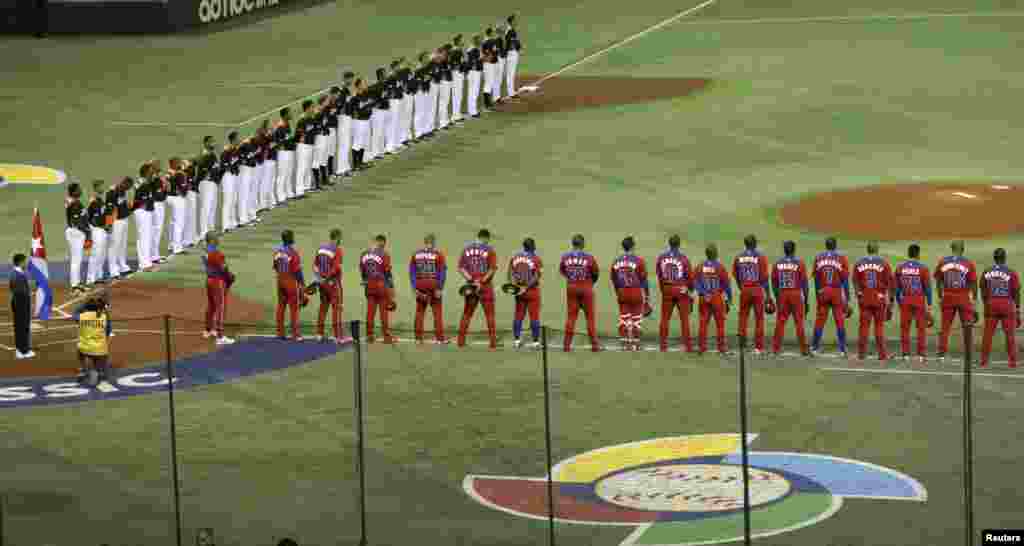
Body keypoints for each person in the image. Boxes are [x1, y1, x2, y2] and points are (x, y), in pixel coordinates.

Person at [935, 240, 978, 362]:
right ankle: (969, 354)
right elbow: (973, 283)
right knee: (967, 326)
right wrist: (974, 299)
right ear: (963, 249)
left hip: (947, 296)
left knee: (945, 327)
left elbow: (938, 281)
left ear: (952, 248)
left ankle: (941, 354)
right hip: (963, 297)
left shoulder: (943, 262)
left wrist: (939, 296)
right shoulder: (968, 263)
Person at [457, 228, 498, 349]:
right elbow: (492, 269)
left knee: (467, 314)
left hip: (470, 287)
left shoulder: (466, 249)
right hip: (485, 287)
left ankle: (460, 341)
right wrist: (481, 281)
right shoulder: (489, 250)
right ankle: (492, 343)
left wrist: (471, 280)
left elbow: (461, 268)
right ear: (485, 237)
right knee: (490, 315)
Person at [852, 241, 894, 361]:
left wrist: (858, 294)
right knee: (879, 326)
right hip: (879, 299)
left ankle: (861, 354)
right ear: (877, 249)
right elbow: (890, 282)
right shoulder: (884, 263)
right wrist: (890, 300)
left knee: (864, 327)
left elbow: (854, 280)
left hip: (864, 298)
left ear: (867, 249)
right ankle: (882, 354)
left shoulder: (859, 263)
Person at [559, 234, 601, 352]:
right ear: (582, 244)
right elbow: (596, 273)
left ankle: (566, 346)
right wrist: (590, 283)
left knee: (571, 317)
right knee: (590, 318)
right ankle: (595, 346)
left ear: (573, 244)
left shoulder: (565, 257)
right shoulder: (589, 258)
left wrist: (571, 278)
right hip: (586, 287)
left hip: (571, 288)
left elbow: (562, 270)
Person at [811, 237, 851, 357]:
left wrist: (818, 292)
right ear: (835, 245)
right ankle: (842, 349)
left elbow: (816, 278)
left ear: (826, 245)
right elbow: (845, 280)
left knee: (820, 321)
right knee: (839, 320)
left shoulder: (818, 257)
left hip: (823, 291)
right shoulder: (842, 258)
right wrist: (847, 298)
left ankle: (814, 347)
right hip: (836, 292)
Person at [980, 248, 1019, 368]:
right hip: (1007, 304)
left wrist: (986, 303)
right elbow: (1016, 291)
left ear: (994, 258)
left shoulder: (986, 271)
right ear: (1005, 258)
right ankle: (1012, 361)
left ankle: (984, 361)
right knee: (1010, 334)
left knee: (987, 334)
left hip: (991, 303)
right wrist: (1017, 309)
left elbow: (983, 289)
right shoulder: (1011, 272)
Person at [733, 234, 771, 355]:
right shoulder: (761, 257)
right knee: (759, 318)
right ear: (755, 244)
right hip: (757, 290)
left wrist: (741, 287)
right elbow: (764, 278)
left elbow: (736, 274)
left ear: (745, 244)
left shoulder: (738, 257)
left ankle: (742, 344)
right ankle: (758, 347)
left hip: (744, 289)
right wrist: (768, 295)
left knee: (743, 316)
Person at [771, 241, 810, 357]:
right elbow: (805, 284)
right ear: (794, 250)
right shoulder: (799, 263)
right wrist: (806, 300)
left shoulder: (777, 263)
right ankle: (803, 349)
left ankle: (775, 348)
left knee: (780, 322)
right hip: (796, 294)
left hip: (782, 293)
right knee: (799, 322)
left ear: (784, 250)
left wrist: (777, 296)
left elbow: (773, 282)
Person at [893, 244, 932, 363]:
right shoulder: (923, 268)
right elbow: (927, 289)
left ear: (909, 253)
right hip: (919, 300)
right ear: (918, 254)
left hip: (905, 299)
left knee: (905, 328)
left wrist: (900, 302)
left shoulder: (900, 267)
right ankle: (921, 355)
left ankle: (905, 354)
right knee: (921, 328)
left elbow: (897, 289)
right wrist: (929, 305)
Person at [656, 234, 694, 353]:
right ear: (679, 244)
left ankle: (663, 346)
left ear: (669, 243)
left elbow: (660, 275)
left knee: (665, 318)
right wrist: (689, 290)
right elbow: (689, 277)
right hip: (681, 290)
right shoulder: (683, 258)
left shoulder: (661, 258)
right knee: (684, 319)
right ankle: (687, 346)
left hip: (667, 289)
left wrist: (663, 289)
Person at [610, 236, 649, 351]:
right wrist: (647, 296)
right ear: (633, 246)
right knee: (636, 318)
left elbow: (614, 279)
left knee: (624, 317)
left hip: (622, 291)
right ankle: (635, 344)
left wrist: (618, 292)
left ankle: (624, 343)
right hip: (635, 291)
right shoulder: (639, 261)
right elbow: (644, 280)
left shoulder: (616, 261)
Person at [410, 233, 449, 344]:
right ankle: (440, 338)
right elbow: (442, 273)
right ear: (433, 243)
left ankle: (418, 338)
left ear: (425, 242)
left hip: (420, 284)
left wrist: (414, 287)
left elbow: (412, 272)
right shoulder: (438, 255)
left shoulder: (416, 255)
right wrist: (440, 288)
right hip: (433, 284)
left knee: (420, 312)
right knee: (437, 312)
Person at [695, 243, 732, 356]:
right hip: (716, 297)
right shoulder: (720, 267)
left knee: (703, 323)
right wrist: (729, 298)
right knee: (720, 324)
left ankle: (701, 347)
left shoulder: (700, 266)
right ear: (716, 254)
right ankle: (721, 348)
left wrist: (703, 292)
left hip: (704, 297)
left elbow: (695, 282)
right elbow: (726, 284)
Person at [360, 234, 396, 343]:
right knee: (383, 312)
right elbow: (388, 273)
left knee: (370, 311)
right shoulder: (384, 254)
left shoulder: (364, 254)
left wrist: (365, 281)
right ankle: (386, 337)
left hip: (369, 285)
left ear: (375, 241)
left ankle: (369, 336)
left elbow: (362, 270)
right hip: (381, 285)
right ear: (383, 242)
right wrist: (391, 288)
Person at [74, 289, 114, 388]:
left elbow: (75, 313)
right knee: (103, 350)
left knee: (79, 349)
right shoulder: (104, 317)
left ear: (87, 308)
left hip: (85, 348)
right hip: (100, 350)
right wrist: (105, 308)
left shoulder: (82, 317)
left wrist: (84, 302)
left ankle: (83, 369)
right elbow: (108, 331)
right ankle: (98, 370)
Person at [507, 237, 542, 349]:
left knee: (518, 316)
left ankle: (517, 340)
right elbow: (536, 276)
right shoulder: (536, 259)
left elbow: (510, 273)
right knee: (534, 316)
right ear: (532, 246)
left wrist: (514, 286)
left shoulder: (515, 257)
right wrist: (526, 287)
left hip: (519, 292)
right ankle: (536, 342)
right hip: (531, 291)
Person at [202, 233, 235, 345]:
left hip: (209, 280)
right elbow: (223, 269)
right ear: (212, 240)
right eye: (215, 238)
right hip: (218, 282)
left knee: (211, 305)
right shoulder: (217, 253)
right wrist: (230, 277)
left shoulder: (205, 252)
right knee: (220, 308)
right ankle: (220, 336)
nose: (218, 239)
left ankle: (208, 330)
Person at [274, 229, 307, 341]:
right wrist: (303, 285)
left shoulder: (277, 251)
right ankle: (296, 334)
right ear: (290, 239)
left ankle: (280, 333)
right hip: (291, 281)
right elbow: (298, 272)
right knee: (294, 308)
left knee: (281, 306)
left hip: (280, 280)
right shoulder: (293, 253)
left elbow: (275, 266)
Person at [315, 228, 345, 343]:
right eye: (340, 238)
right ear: (337, 237)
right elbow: (335, 268)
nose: (340, 240)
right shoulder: (337, 250)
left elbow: (315, 266)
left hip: (321, 283)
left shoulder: (321, 248)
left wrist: (320, 278)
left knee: (323, 307)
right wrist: (327, 278)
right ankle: (337, 336)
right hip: (332, 283)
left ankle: (319, 333)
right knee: (336, 308)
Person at [85, 179, 112, 286]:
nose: (102, 188)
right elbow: (93, 218)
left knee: (102, 254)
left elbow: (104, 215)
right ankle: (90, 278)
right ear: (96, 188)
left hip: (103, 230)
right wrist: (104, 226)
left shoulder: (100, 200)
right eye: (100, 186)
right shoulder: (94, 201)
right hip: (97, 230)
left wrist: (108, 225)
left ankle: (98, 276)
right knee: (95, 254)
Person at [65, 181, 90, 294]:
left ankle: (78, 284)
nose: (81, 190)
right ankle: (74, 286)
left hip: (77, 232)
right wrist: (86, 231)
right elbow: (76, 221)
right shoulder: (74, 204)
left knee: (77, 260)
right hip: (76, 233)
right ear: (74, 192)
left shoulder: (74, 201)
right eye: (79, 189)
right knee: (76, 260)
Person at [10, 253, 34, 359]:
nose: (26, 263)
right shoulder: (17, 275)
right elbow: (20, 292)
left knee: (20, 327)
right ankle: (23, 350)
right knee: (22, 327)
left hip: (19, 303)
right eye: (24, 261)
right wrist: (28, 293)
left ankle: (21, 350)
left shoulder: (17, 273)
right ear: (20, 262)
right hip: (21, 304)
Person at [195, 136, 220, 240]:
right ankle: (204, 232)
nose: (213, 144)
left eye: (213, 142)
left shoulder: (213, 154)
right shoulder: (204, 154)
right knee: (205, 208)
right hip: (206, 183)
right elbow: (201, 165)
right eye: (211, 142)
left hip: (213, 183)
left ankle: (210, 230)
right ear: (205, 143)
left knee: (212, 207)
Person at [132, 165, 155, 272]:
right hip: (142, 212)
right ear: (146, 173)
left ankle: (147, 261)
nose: (153, 173)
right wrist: (141, 206)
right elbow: (134, 198)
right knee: (143, 237)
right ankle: (144, 264)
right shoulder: (140, 183)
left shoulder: (147, 182)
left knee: (147, 236)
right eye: (151, 171)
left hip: (147, 211)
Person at [167, 158, 190, 256]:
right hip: (178, 199)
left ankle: (171, 244)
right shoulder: (180, 174)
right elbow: (183, 190)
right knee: (179, 223)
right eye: (178, 163)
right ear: (174, 164)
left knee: (173, 222)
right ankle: (177, 247)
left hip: (170, 198)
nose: (180, 164)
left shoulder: (168, 174)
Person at [272, 109, 296, 202]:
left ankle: (288, 192)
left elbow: (288, 137)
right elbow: (275, 139)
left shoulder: (287, 124)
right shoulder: (280, 126)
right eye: (289, 113)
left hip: (289, 151)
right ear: (285, 115)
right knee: (282, 174)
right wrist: (279, 146)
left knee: (289, 172)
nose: (291, 114)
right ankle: (280, 195)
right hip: (283, 152)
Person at [220, 132, 241, 232]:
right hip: (228, 177)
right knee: (228, 200)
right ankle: (225, 225)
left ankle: (232, 222)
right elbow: (223, 165)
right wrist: (230, 168)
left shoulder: (235, 150)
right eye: (237, 138)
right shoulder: (226, 151)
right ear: (233, 140)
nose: (239, 140)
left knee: (234, 199)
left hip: (234, 176)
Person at [504, 15, 522, 96]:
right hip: (511, 54)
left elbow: (514, 42)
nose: (516, 22)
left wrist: (518, 48)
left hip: (512, 53)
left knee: (511, 73)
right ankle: (511, 92)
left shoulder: (511, 30)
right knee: (510, 73)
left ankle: (511, 91)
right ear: (511, 22)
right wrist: (517, 48)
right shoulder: (510, 31)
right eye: (514, 20)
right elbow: (511, 43)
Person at [450, 36, 467, 122]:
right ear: (458, 42)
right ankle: (455, 115)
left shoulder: (458, 50)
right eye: (461, 41)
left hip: (459, 74)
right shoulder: (455, 51)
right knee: (456, 94)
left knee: (458, 95)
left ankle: (457, 114)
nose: (462, 42)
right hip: (456, 74)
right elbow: (455, 64)